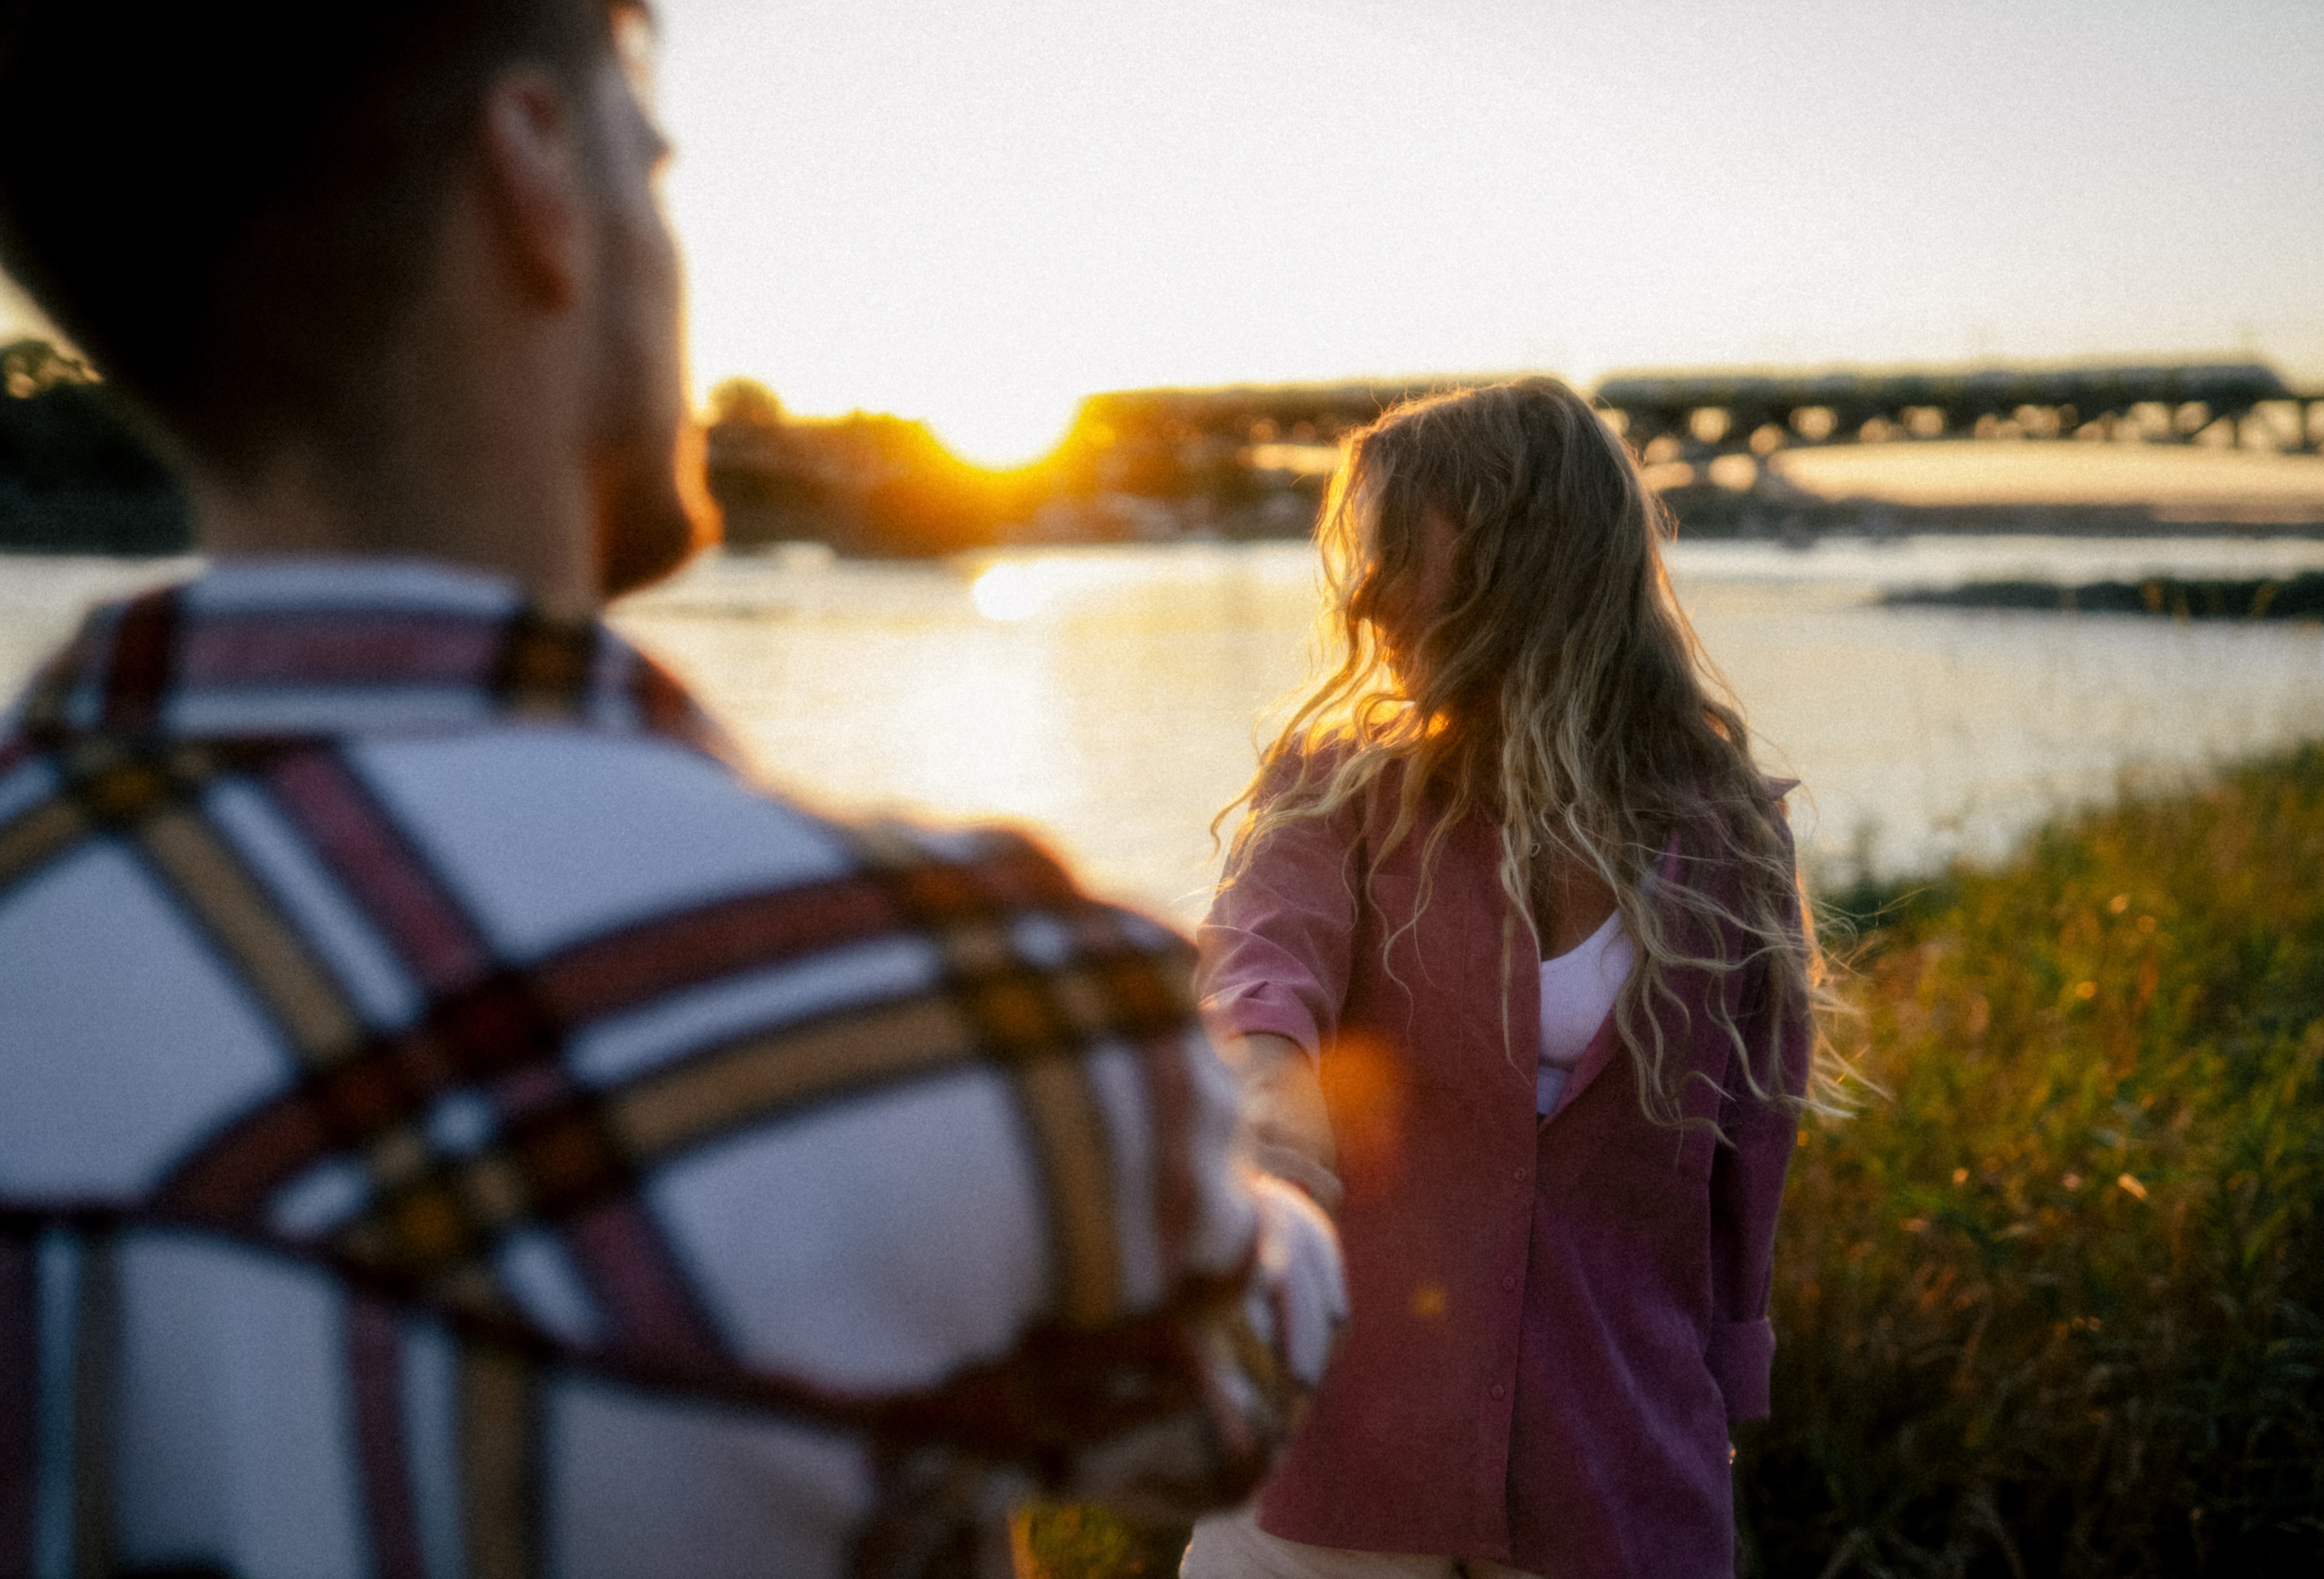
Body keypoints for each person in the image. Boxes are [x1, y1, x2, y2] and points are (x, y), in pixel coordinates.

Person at [0, 5, 1343, 1577]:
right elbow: (1239, 1387)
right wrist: (1280, 1153)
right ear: (538, 169)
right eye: (654, 163)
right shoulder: (970, 1003)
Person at [1182, 378, 1835, 1579]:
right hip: (1335, 1454)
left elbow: (1755, 1137)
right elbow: (1263, 959)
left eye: (1394, 549)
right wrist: (1269, 1092)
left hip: (1615, 1465)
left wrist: (1728, 1373)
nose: (1364, 592)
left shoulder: (1731, 830)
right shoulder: (1336, 788)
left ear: (1513, 553)